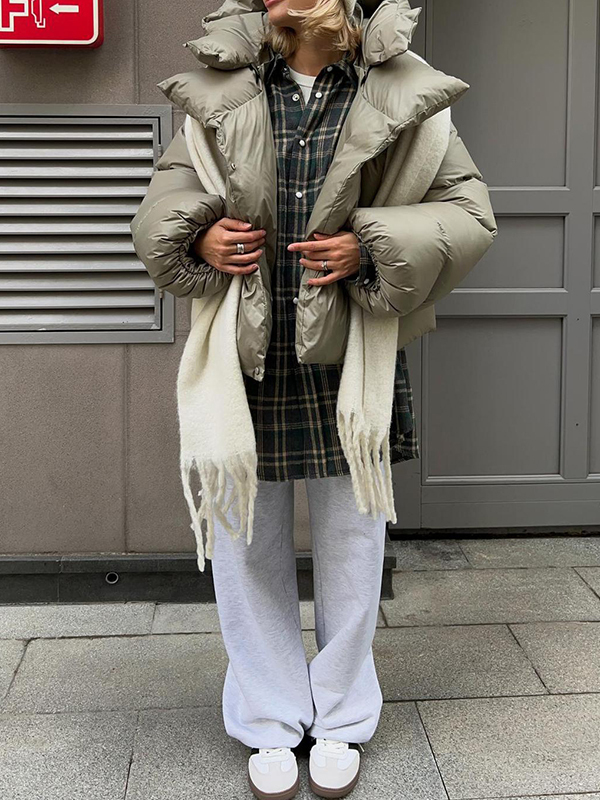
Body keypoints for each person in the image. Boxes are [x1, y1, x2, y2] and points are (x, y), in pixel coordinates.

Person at [130, 0, 497, 796]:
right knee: (244, 545)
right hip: (244, 353)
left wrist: (373, 242)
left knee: (353, 549)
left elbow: (468, 212)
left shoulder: (398, 87)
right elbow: (166, 195)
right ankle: (267, 716)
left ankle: (340, 717)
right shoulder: (225, 85)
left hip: (350, 356)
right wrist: (197, 234)